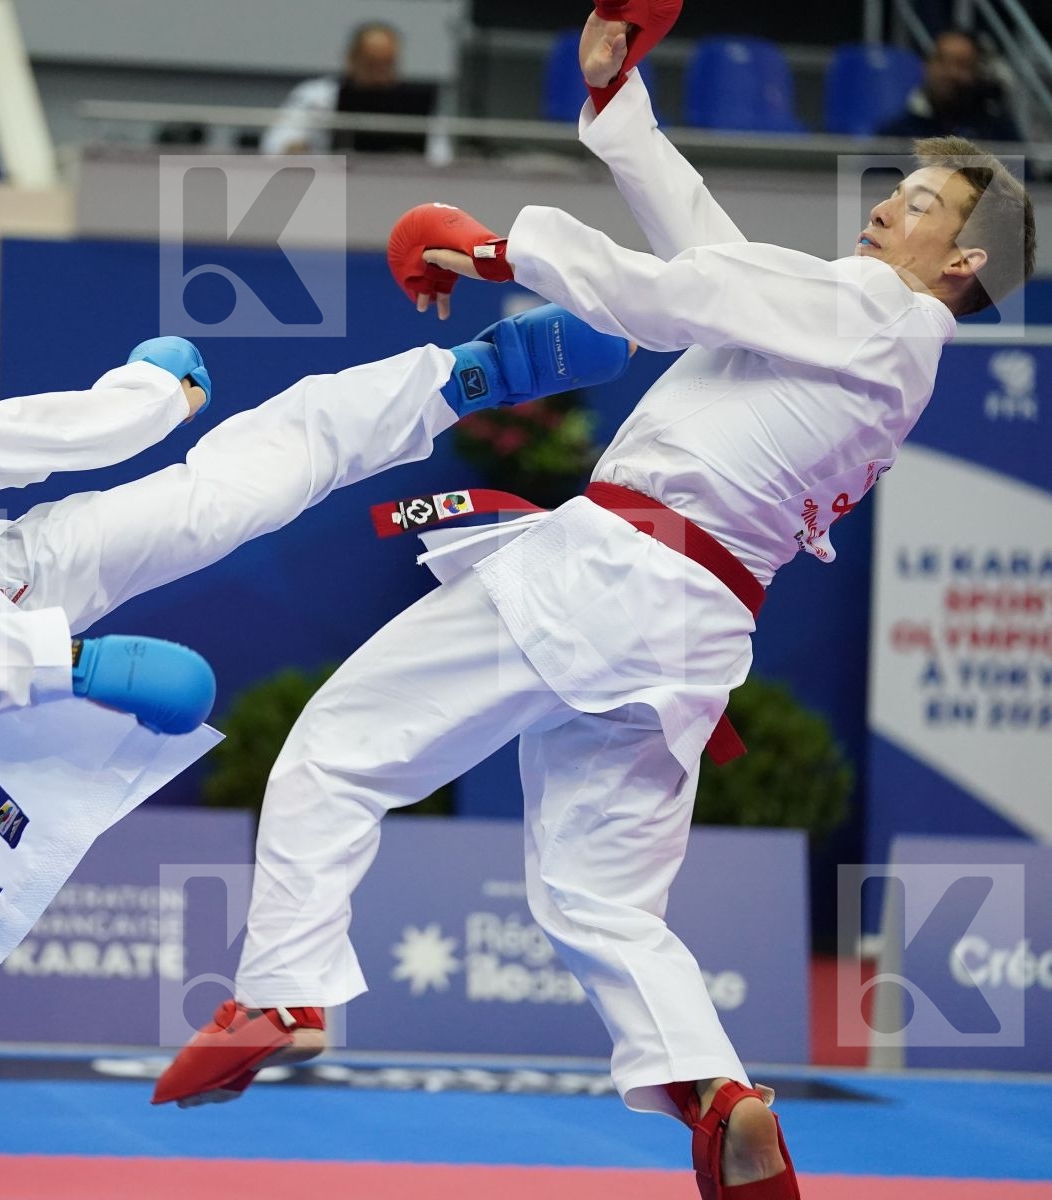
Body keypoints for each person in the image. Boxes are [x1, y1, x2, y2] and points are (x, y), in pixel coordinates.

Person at [154, 7, 1036, 1200]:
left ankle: (284, 986)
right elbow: (710, 259)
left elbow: (672, 298)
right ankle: (715, 1095)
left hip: (611, 576)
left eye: (921, 202)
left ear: (963, 260)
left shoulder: (878, 312)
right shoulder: (858, 329)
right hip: (690, 633)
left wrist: (498, 252)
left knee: (338, 752)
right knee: (598, 899)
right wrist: (623, 108)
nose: (889, 200)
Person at [0, 249, 627, 1198]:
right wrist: (67, 664)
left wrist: (146, 395)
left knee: (210, 499)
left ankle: (460, 377)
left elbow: (11, 435)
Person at [261, 21, 454, 165]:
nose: (379, 74)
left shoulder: (415, 104)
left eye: (387, 65)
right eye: (371, 64)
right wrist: (295, 150)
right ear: (350, 59)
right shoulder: (316, 96)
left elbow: (441, 158)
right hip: (331, 190)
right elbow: (275, 144)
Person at [878, 28, 1023, 145]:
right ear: (926, 65)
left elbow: (1025, 179)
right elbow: (874, 179)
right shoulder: (898, 134)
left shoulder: (997, 131)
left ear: (975, 73)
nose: (950, 73)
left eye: (961, 65)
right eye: (942, 61)